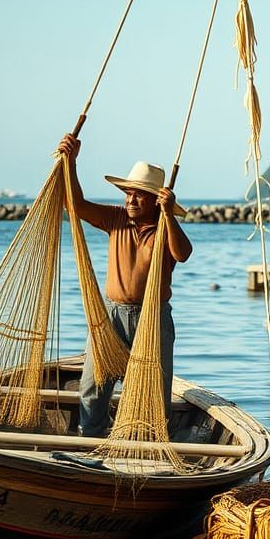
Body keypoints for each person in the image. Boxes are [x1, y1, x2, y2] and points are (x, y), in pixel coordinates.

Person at [57, 133, 193, 437]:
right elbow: (75, 205)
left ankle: (149, 443)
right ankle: (90, 439)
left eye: (139, 195)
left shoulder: (164, 227)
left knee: (154, 390)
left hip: (152, 318)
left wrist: (169, 214)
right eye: (128, 193)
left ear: (155, 201)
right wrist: (71, 162)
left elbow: (182, 254)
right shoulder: (115, 218)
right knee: (94, 384)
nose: (130, 200)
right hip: (111, 316)